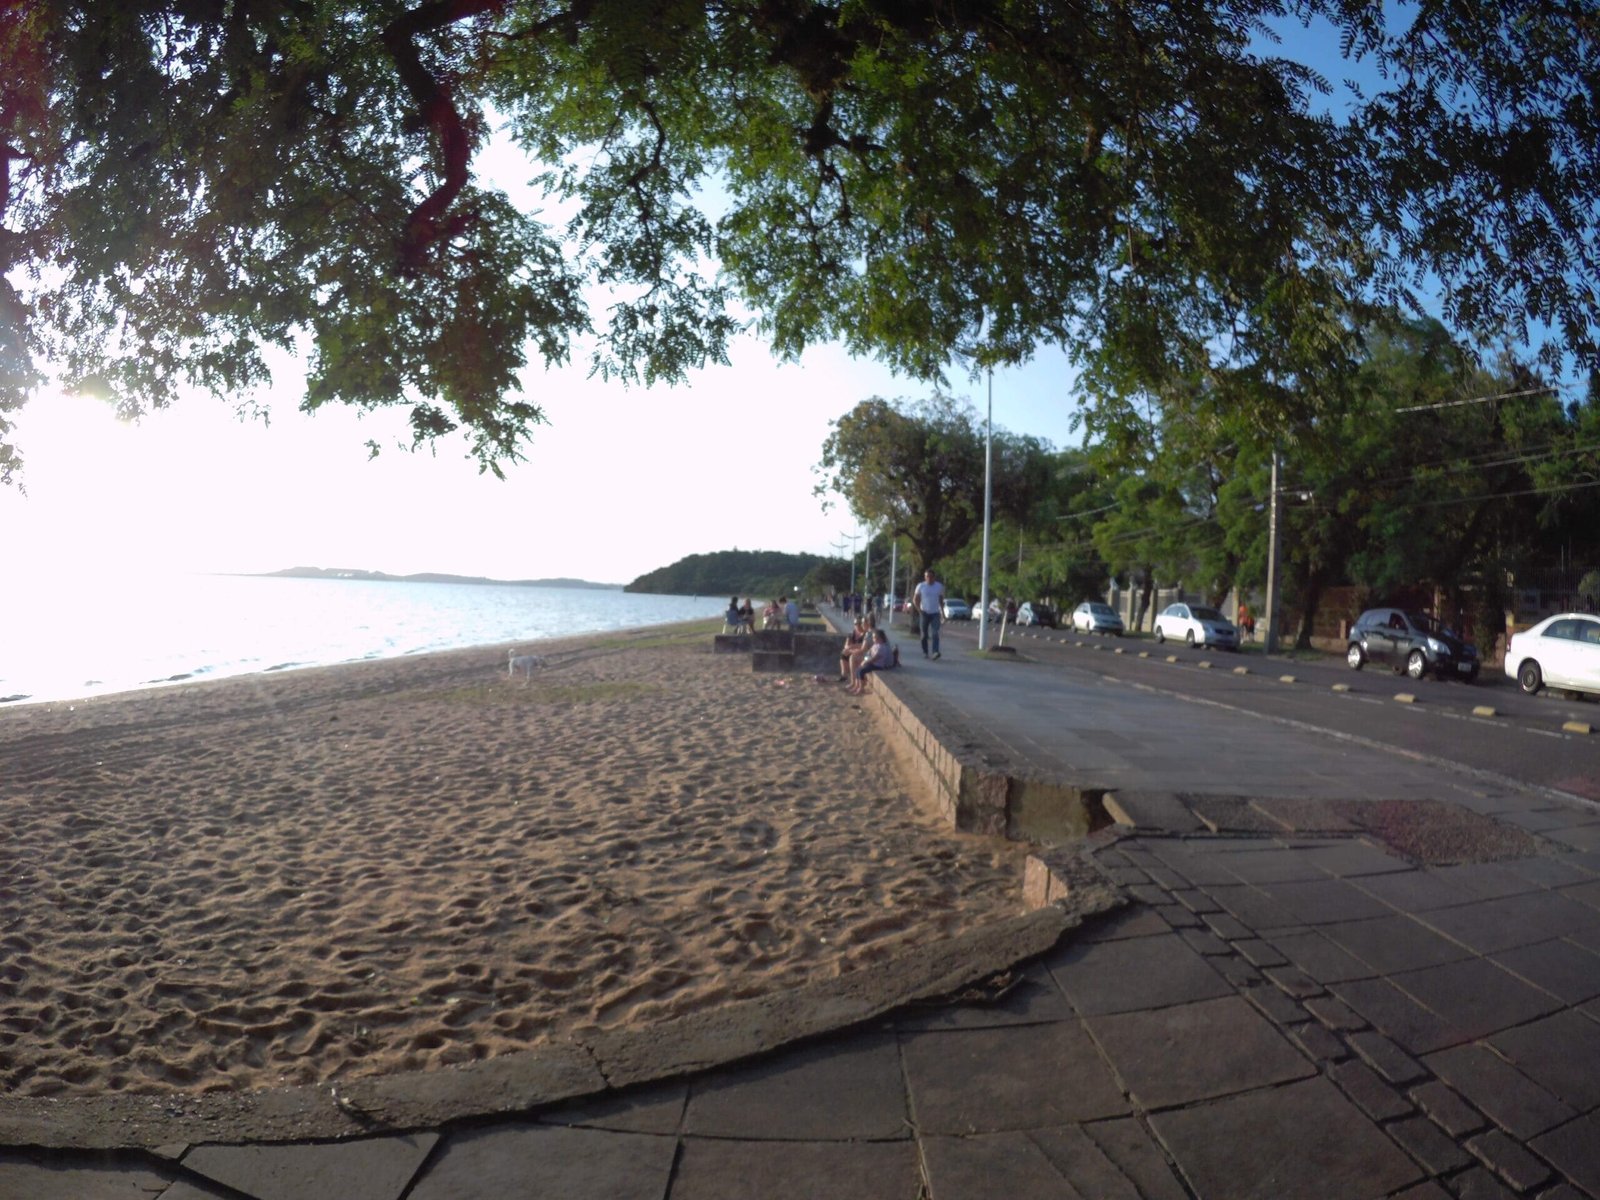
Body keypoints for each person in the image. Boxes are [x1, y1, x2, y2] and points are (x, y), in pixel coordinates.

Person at [912, 567, 945, 659]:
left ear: (934, 577)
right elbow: (915, 599)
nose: (929, 578)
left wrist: (943, 613)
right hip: (924, 612)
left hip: (935, 613)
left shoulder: (939, 586)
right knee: (924, 634)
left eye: (931, 577)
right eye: (927, 576)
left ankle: (935, 651)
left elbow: (941, 600)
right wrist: (919, 610)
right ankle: (925, 651)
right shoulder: (921, 586)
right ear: (925, 577)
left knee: (935, 633)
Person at [850, 628, 893, 694]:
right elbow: (868, 654)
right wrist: (864, 660)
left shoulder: (882, 648)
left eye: (874, 638)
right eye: (873, 638)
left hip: (878, 665)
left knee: (861, 671)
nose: (873, 639)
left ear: (880, 639)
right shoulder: (875, 645)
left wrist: (865, 662)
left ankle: (861, 688)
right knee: (858, 669)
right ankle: (856, 685)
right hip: (872, 663)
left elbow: (874, 658)